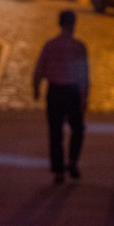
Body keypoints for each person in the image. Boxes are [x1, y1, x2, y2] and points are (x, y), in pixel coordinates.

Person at [33, 10, 90, 183]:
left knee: (55, 131)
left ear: (59, 24)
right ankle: (72, 161)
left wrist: (36, 88)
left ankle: (58, 170)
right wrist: (85, 96)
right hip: (73, 91)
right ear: (74, 24)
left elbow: (40, 68)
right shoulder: (79, 47)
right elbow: (84, 74)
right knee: (77, 129)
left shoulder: (50, 45)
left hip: (55, 91)